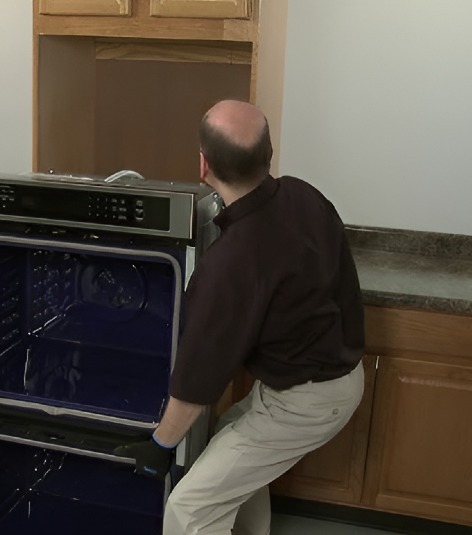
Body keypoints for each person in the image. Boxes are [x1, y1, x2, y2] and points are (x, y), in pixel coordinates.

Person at [115, 100, 366, 534]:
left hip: (306, 402)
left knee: (189, 508)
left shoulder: (231, 263)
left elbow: (198, 382)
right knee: (230, 437)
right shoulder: (304, 195)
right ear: (268, 155)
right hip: (334, 378)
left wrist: (160, 445)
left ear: (203, 165)